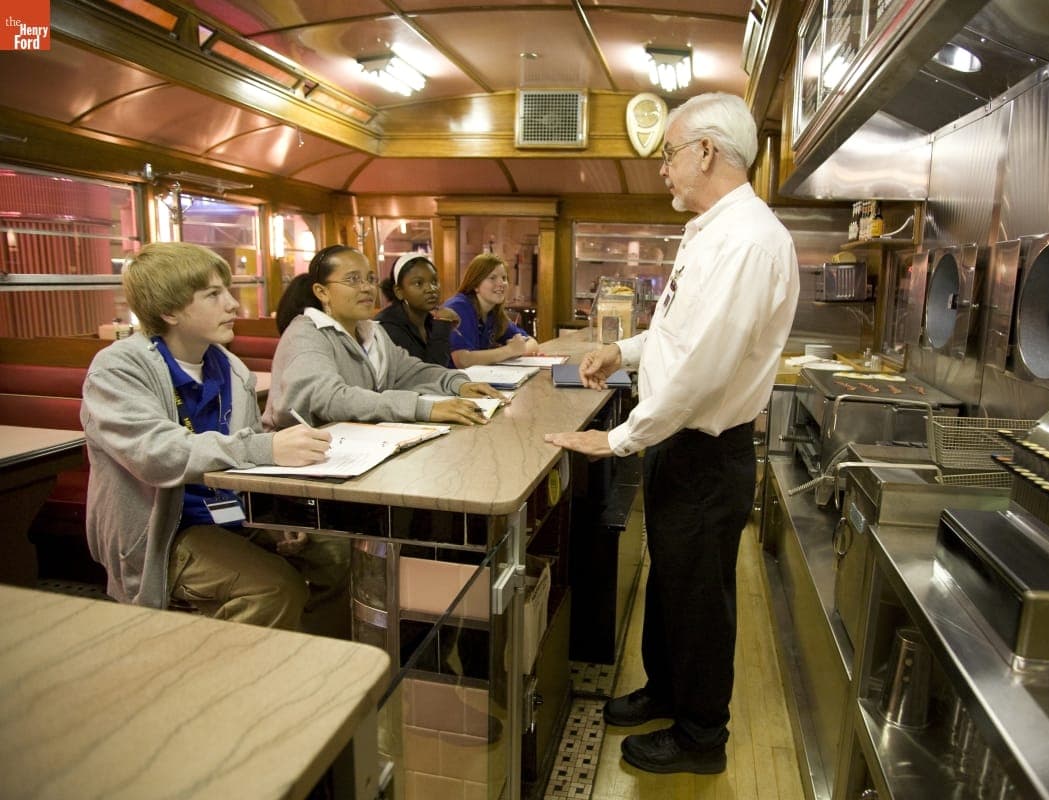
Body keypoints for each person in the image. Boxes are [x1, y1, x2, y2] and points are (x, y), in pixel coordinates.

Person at [545, 92, 800, 775]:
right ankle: (667, 689)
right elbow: (679, 334)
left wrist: (621, 437)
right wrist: (622, 353)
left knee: (698, 595)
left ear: (708, 152)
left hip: (704, 450)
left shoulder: (748, 240)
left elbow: (703, 368)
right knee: (671, 580)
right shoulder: (711, 231)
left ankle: (700, 737)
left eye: (669, 154)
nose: (664, 169)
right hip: (678, 443)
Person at [82, 242, 335, 630]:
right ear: (169, 311)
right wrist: (265, 447)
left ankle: (322, 672)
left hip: (234, 515)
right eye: (214, 295)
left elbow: (248, 462)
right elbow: (155, 453)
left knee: (335, 557)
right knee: (273, 588)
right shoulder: (118, 367)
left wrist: (277, 514)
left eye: (228, 292)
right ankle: (229, 685)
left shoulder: (231, 368)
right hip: (164, 533)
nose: (233, 305)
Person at [265, 244, 506, 431]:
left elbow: (413, 371)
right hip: (300, 473)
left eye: (370, 279)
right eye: (352, 280)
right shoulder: (306, 334)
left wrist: (459, 384)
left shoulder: (372, 331)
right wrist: (423, 408)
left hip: (358, 451)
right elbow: (331, 398)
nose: (367, 288)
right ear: (322, 292)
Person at [444, 252, 539, 368]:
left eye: (504, 278)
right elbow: (463, 360)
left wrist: (515, 349)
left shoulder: (493, 313)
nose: (501, 284)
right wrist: (510, 350)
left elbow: (532, 343)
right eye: (492, 278)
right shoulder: (458, 308)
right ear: (475, 285)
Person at [375, 251, 458, 367]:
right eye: (419, 283)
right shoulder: (388, 328)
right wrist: (442, 326)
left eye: (434, 281)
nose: (431, 289)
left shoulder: (429, 320)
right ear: (399, 292)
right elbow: (431, 374)